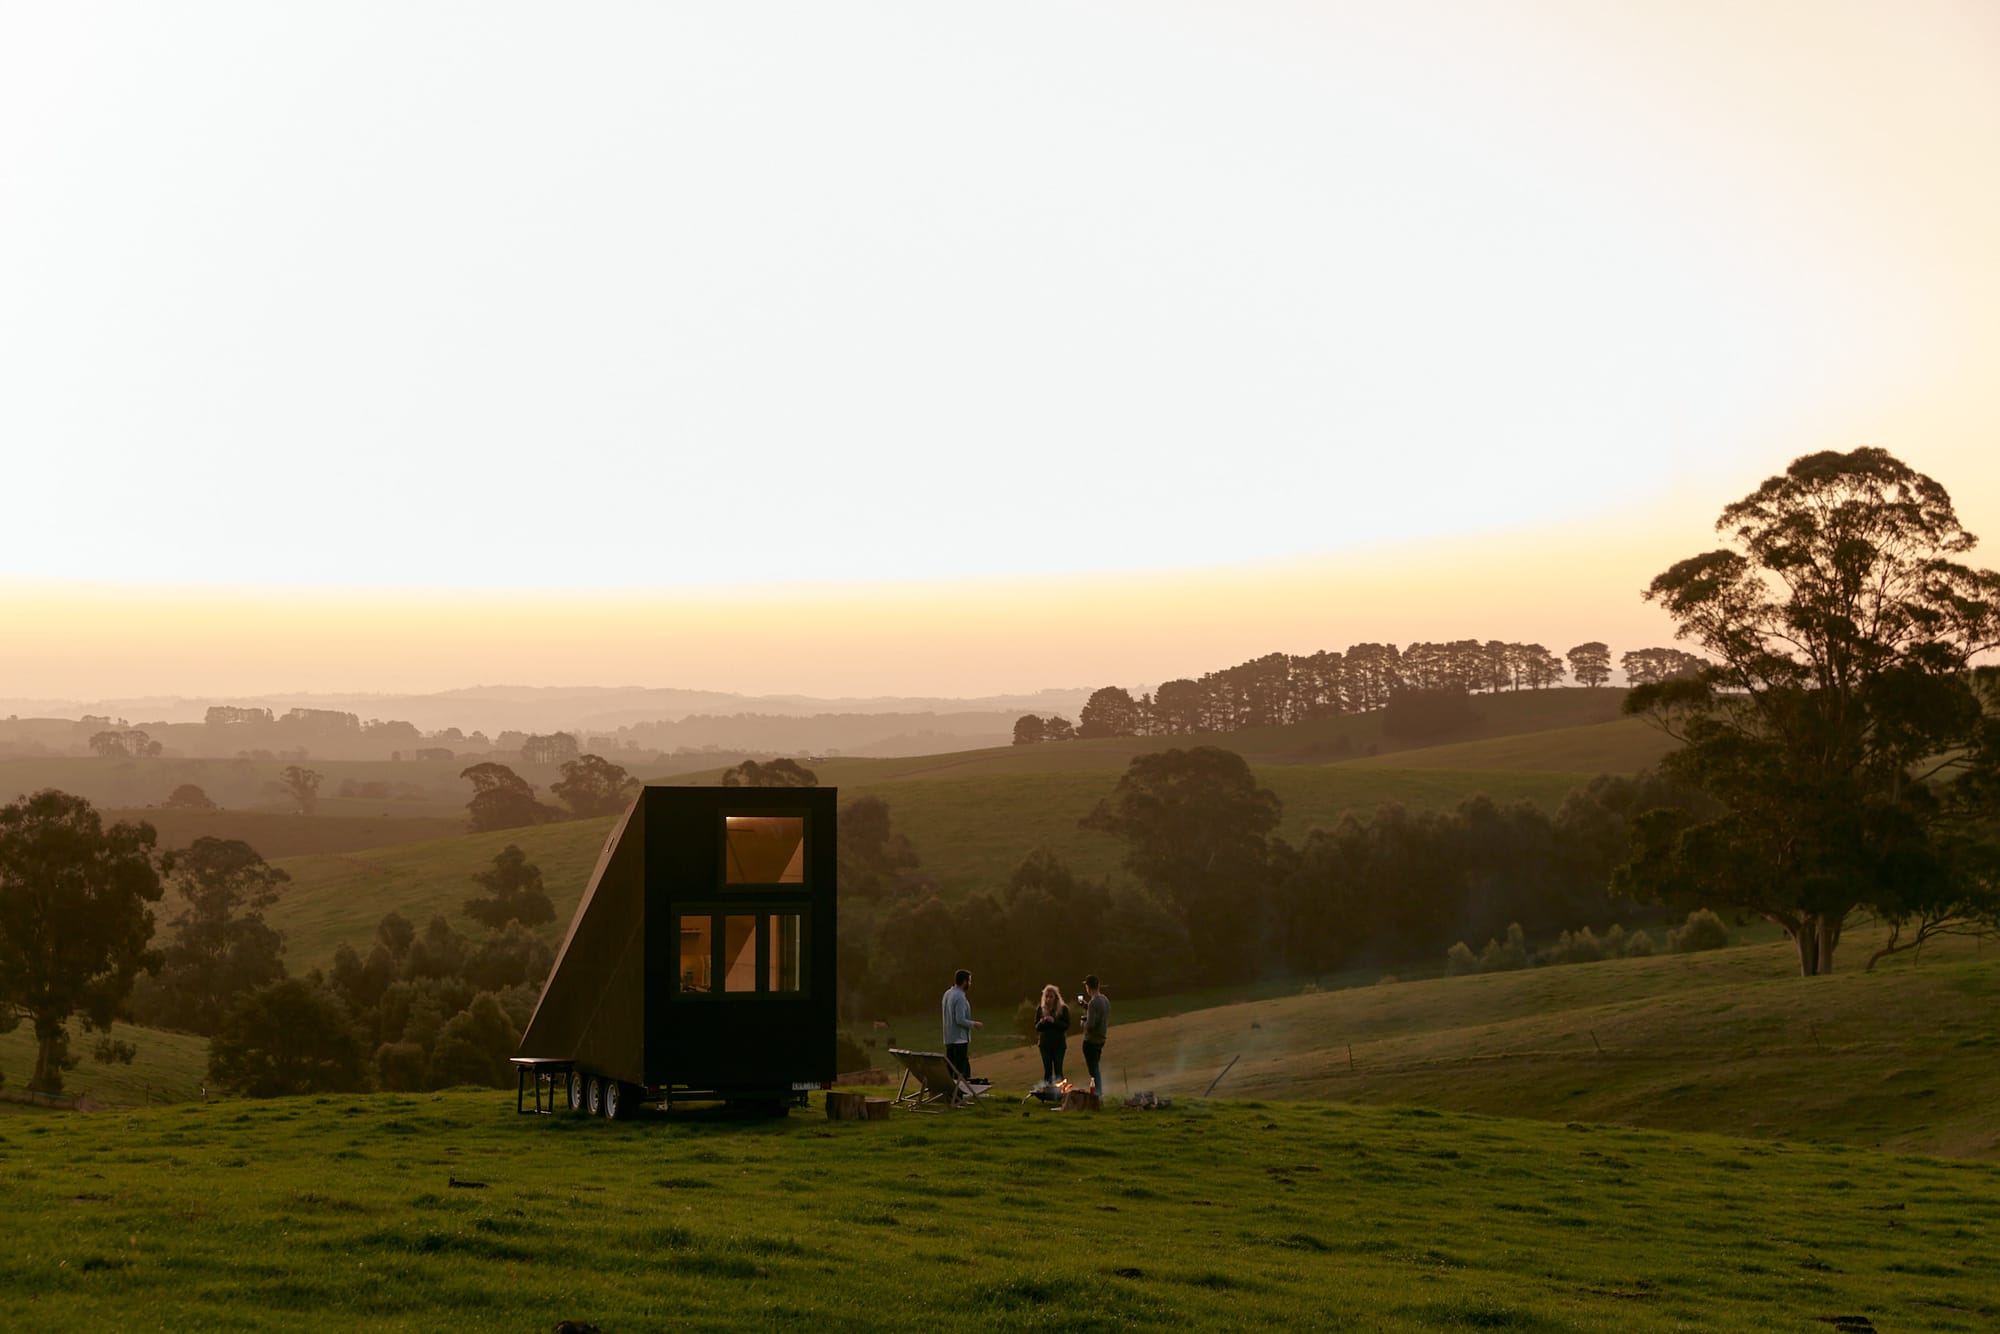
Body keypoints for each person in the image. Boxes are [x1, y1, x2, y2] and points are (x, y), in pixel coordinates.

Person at [940, 968, 982, 1082]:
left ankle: (951, 1096)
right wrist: (974, 1024)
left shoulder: (947, 994)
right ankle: (960, 1096)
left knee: (951, 1071)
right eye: (969, 981)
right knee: (961, 1072)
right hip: (959, 1039)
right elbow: (960, 1019)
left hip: (949, 1038)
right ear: (964, 982)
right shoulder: (960, 997)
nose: (970, 983)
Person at [1033, 983, 1070, 1086]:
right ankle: (1048, 1093)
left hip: (1059, 1045)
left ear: (1056, 998)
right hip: (1045, 1045)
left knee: (1058, 1070)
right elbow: (1037, 1027)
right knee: (1047, 1071)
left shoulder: (1063, 1009)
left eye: (1051, 997)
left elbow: (1066, 1025)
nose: (1048, 999)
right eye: (1046, 996)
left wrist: (1054, 1021)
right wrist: (1042, 1022)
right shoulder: (1041, 1009)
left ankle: (1061, 1093)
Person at [1080, 973, 1109, 1096]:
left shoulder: (1093, 1003)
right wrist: (1086, 1006)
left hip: (1091, 1041)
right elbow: (1099, 1016)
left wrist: (1083, 1023)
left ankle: (1098, 1094)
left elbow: (1091, 1025)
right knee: (1096, 1067)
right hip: (1101, 1039)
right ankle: (1098, 1093)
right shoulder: (1105, 1000)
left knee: (1093, 1070)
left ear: (1088, 987)